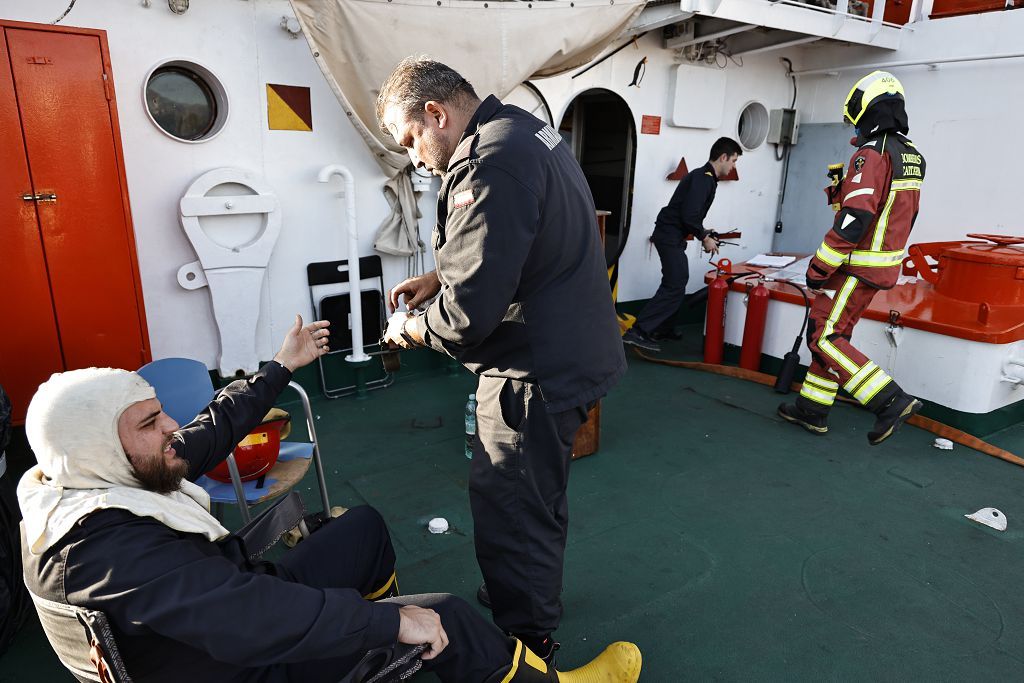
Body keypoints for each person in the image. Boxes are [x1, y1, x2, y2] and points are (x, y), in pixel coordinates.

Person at [18, 315, 641, 682]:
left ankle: (374, 651)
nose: (171, 431)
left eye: (158, 415)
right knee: (445, 614)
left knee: (362, 529)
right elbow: (248, 618)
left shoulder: (93, 478)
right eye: (149, 424)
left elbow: (208, 431)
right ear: (98, 444)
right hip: (243, 663)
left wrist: (280, 366)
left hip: (222, 618)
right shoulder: (102, 552)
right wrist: (389, 620)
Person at [376, 57, 628, 663]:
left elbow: (465, 321)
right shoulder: (521, 129)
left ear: (437, 114)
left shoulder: (489, 165)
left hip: (531, 371)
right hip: (567, 352)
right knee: (535, 498)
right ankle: (528, 593)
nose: (414, 158)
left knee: (512, 507)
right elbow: (521, 235)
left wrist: (411, 329)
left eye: (411, 140)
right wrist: (441, 274)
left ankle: (528, 637)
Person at [778, 70, 926, 445]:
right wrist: (842, 190)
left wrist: (819, 266)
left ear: (867, 111)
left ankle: (889, 401)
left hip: (855, 267)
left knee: (825, 336)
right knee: (835, 331)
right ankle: (812, 409)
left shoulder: (871, 154)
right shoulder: (911, 156)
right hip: (881, 266)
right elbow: (892, 211)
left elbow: (855, 217)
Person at [621, 137, 743, 352]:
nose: (733, 166)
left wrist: (706, 232)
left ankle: (662, 328)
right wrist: (704, 237)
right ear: (723, 157)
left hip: (671, 235)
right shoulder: (703, 178)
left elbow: (691, 215)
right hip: (668, 235)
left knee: (676, 281)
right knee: (675, 282)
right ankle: (638, 331)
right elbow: (689, 214)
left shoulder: (704, 178)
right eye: (733, 161)